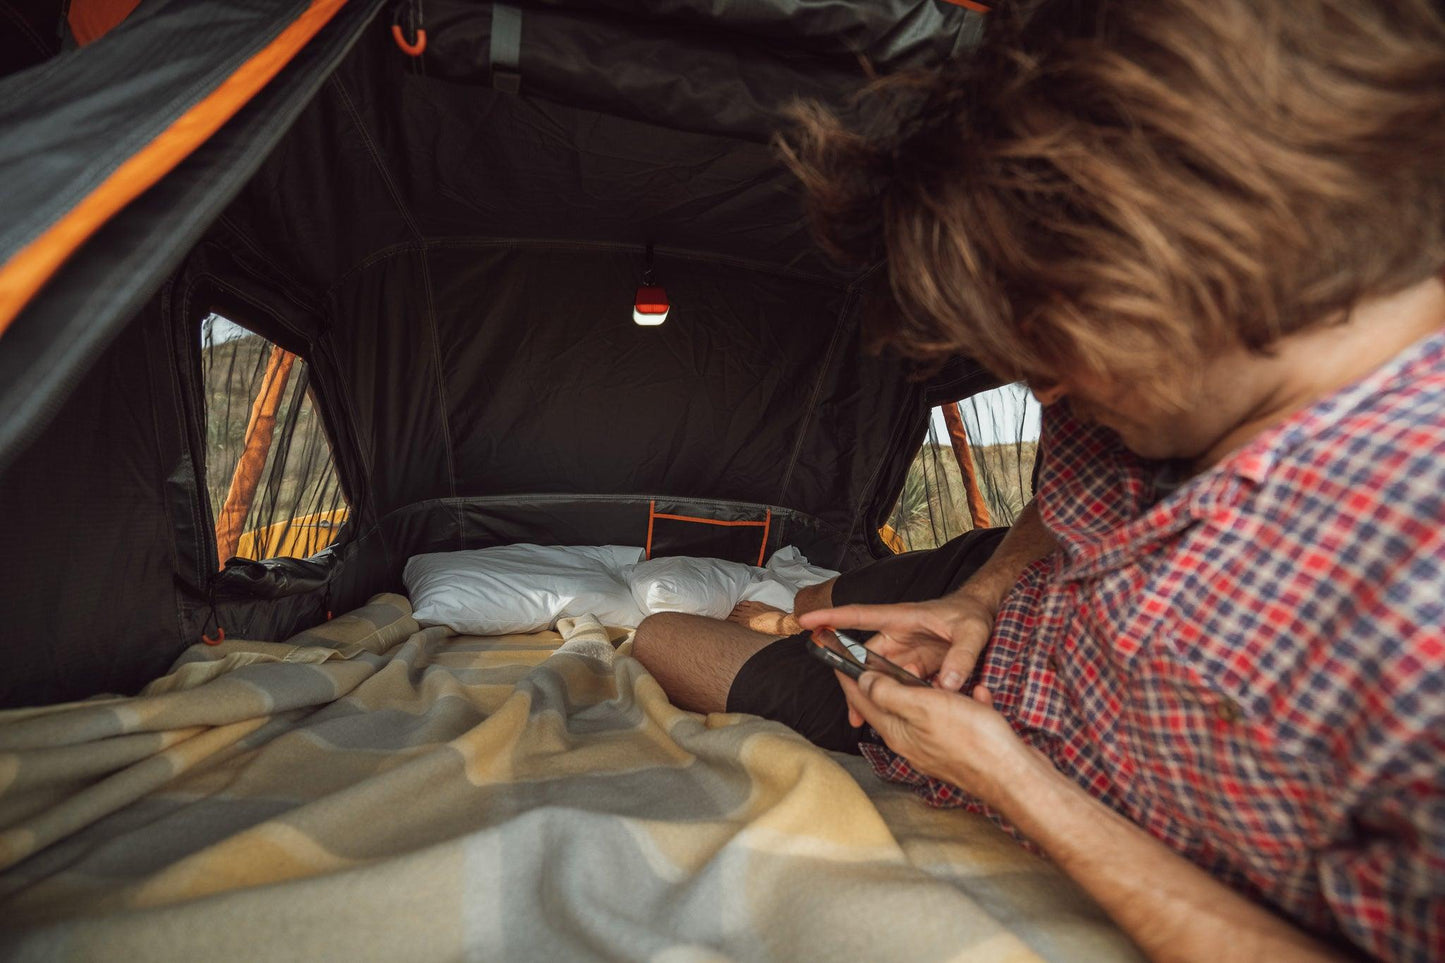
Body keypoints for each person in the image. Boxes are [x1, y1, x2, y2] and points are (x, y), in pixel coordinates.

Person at [630, 1, 1445, 959]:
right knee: (786, 603)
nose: (1046, 388)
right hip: (979, 598)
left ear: (1191, 264)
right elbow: (1061, 504)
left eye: (1048, 348)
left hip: (965, 735)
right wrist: (977, 595)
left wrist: (1006, 779)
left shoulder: (1411, 595)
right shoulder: (1184, 385)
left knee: (658, 635)